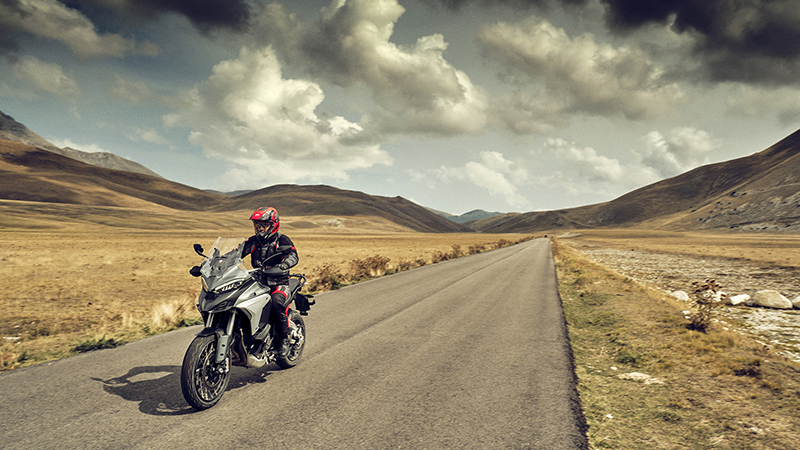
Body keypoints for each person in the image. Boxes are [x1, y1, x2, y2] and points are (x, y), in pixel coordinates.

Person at [242, 206, 299, 357]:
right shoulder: (253, 241)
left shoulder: (282, 240)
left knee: (276, 304)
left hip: (279, 283)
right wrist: (220, 260)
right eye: (258, 225)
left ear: (273, 225)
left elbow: (293, 255)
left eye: (264, 225)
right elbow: (238, 252)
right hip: (258, 282)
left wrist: (285, 264)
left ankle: (284, 339)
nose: (260, 228)